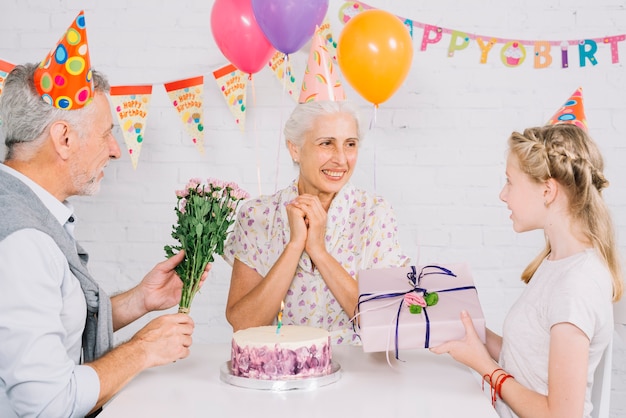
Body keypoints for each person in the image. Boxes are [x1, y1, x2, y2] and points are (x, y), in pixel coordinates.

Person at [0, 63, 209, 417]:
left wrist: (139, 301)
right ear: (64, 138)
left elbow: (56, 322)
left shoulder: (26, 208)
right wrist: (144, 348)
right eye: (106, 134)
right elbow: (48, 406)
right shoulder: (22, 242)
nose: (115, 150)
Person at [431, 124, 624, 417]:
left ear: (547, 191)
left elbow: (561, 415)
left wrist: (483, 366)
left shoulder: (577, 285)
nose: (502, 194)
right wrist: (472, 331)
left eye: (510, 182)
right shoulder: (558, 263)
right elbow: (528, 359)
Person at [223, 100, 409, 344]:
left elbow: (386, 321)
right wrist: (295, 245)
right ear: (295, 149)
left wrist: (318, 251)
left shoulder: (374, 213)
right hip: (281, 371)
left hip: (359, 372)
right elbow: (243, 324)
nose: (341, 159)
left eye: (350, 144)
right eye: (327, 144)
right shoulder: (257, 215)